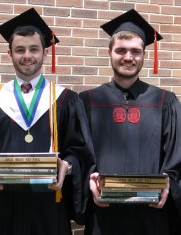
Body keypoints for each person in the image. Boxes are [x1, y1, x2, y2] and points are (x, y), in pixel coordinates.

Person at [0, 8, 95, 235]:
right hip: (4, 207)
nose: (27, 55)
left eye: (34, 49)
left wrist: (66, 166)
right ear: (9, 54)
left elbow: (80, 151)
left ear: (45, 53)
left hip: (49, 207)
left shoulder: (66, 100)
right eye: (19, 50)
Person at [79, 9, 181, 235]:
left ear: (144, 54)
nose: (128, 57)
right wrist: (89, 179)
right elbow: (79, 154)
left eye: (136, 51)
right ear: (109, 53)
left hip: (152, 216)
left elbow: (176, 155)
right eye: (121, 50)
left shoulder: (165, 101)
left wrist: (168, 183)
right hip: (104, 216)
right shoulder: (88, 101)